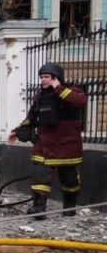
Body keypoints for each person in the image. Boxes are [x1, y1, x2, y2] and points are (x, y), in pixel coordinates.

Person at [10, 62, 87, 220]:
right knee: (40, 176)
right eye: (41, 77)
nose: (43, 80)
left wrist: (58, 88)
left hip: (67, 144)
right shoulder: (41, 96)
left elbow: (80, 102)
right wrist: (17, 131)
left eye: (46, 77)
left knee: (70, 180)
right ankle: (39, 209)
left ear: (56, 78)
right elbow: (31, 117)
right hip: (45, 144)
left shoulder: (72, 90)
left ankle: (69, 208)